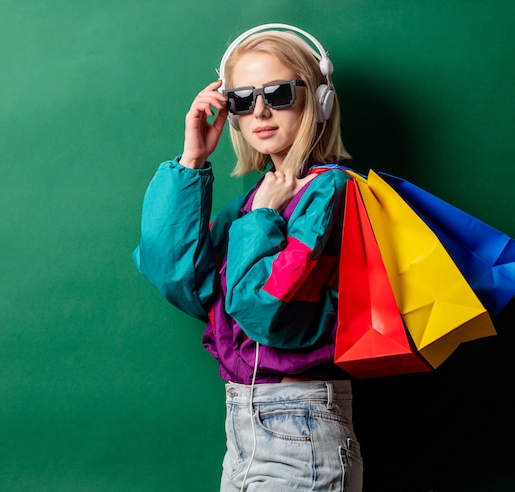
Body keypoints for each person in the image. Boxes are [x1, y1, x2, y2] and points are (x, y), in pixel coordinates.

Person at [133, 24, 363, 491]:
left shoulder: (330, 192)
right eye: (242, 99)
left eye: (278, 93)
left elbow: (266, 313)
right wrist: (192, 159)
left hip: (302, 428)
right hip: (244, 425)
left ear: (318, 101)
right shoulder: (259, 199)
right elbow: (183, 284)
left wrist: (261, 220)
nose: (260, 110)